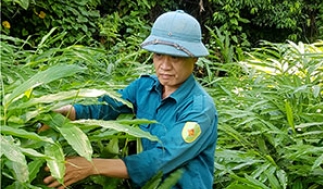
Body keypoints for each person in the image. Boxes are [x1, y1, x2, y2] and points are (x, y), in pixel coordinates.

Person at [43, 10, 218, 189]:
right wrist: (68, 112)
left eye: (175, 57)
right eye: (158, 55)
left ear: (194, 58)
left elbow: (161, 158)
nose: (164, 66)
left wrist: (91, 166)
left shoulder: (199, 109)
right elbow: (107, 106)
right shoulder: (145, 87)